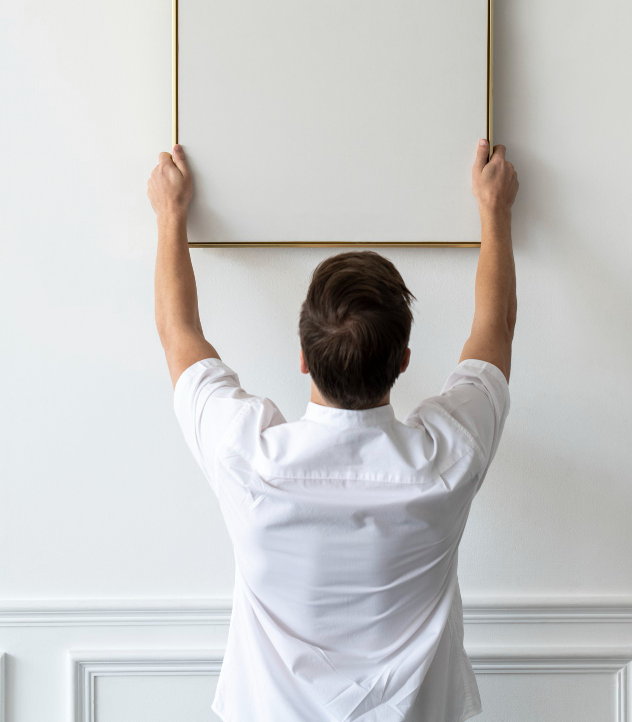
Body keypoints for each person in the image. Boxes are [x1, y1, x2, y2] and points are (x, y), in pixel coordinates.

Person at [147, 138, 518, 722]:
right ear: (403, 362)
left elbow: (179, 333)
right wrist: (494, 210)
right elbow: (494, 330)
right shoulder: (450, 457)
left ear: (301, 357)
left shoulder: (246, 457)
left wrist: (170, 213)